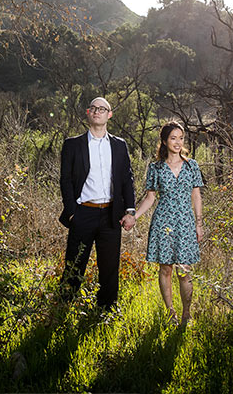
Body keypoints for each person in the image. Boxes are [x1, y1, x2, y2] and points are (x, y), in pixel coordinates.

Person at [58, 97, 136, 310]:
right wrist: (72, 212)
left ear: (109, 115)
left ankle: (106, 311)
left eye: (102, 109)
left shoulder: (119, 145)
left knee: (110, 268)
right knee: (74, 265)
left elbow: (127, 179)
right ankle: (64, 309)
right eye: (93, 108)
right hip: (83, 213)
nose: (97, 111)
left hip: (111, 214)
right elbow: (65, 180)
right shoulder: (72, 145)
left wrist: (130, 211)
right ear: (87, 112)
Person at [133, 121, 204, 325]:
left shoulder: (192, 166)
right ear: (164, 141)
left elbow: (197, 197)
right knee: (165, 269)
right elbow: (150, 198)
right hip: (163, 222)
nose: (178, 142)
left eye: (181, 138)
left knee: (184, 270)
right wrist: (134, 217)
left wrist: (199, 224)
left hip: (185, 222)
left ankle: (186, 314)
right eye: (173, 138)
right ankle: (170, 313)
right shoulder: (155, 167)